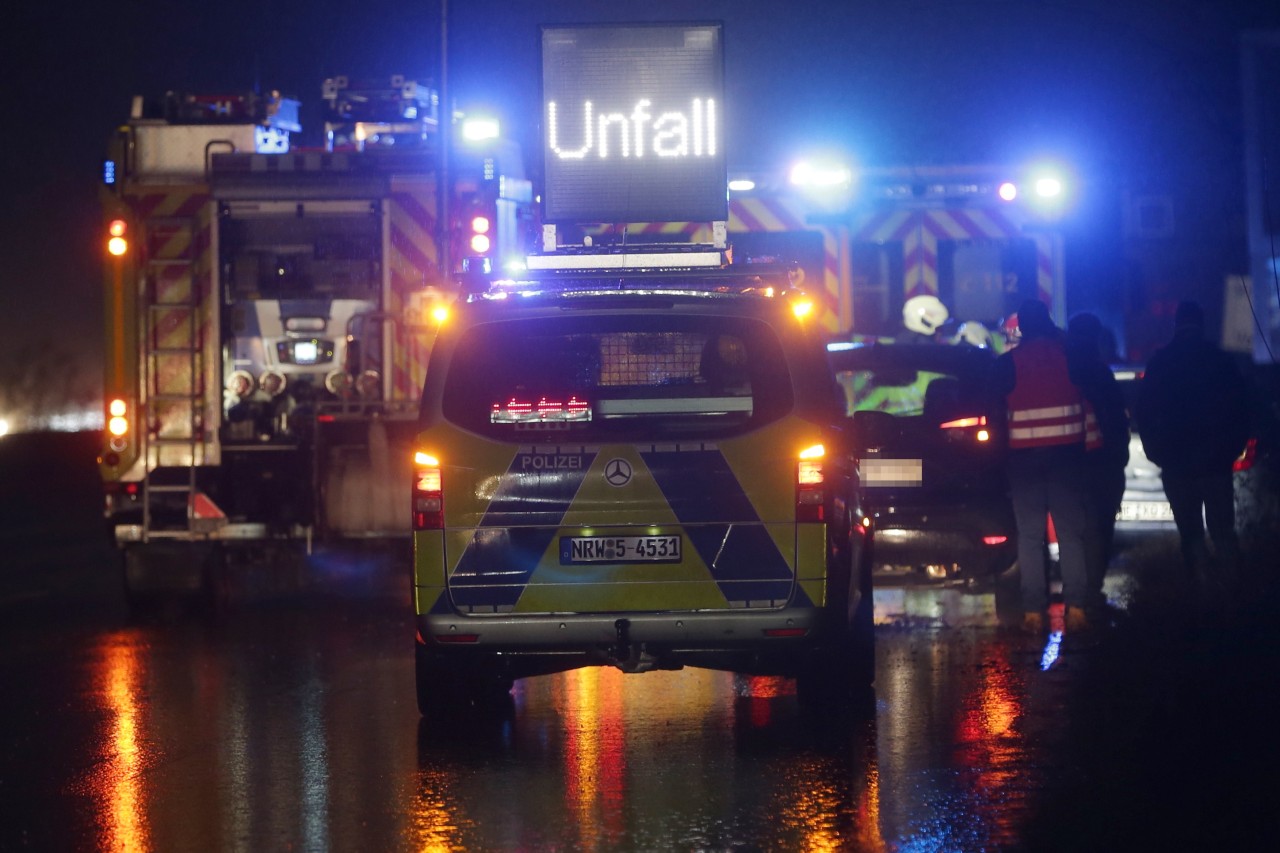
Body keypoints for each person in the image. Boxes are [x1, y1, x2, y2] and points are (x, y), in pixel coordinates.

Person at [990, 299, 1093, 635]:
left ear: (1023, 328)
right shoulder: (1072, 356)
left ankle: (1034, 613)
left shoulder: (1008, 364)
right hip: (1068, 458)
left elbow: (995, 414)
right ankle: (1077, 608)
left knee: (1031, 537)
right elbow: (1089, 403)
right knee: (1070, 536)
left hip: (1023, 461)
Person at [1136, 300, 1250, 583]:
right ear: (1201, 323)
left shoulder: (1161, 362)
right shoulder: (1220, 360)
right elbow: (1242, 407)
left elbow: (1145, 411)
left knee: (1191, 535)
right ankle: (1232, 601)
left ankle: (1201, 595)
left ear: (1176, 324)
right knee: (1223, 532)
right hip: (1215, 462)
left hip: (1177, 464)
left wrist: (1157, 453)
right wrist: (1231, 450)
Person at [1066, 312, 1130, 613]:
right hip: (1101, 463)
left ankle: (1078, 593)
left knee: (1075, 531)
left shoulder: (1063, 370)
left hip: (1068, 463)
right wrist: (1118, 458)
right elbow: (1115, 421)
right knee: (1099, 529)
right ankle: (1090, 592)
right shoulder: (1101, 374)